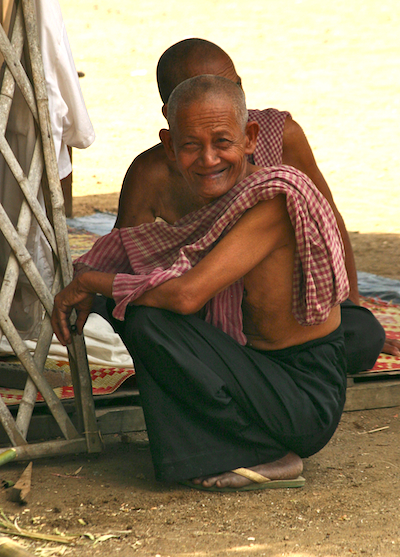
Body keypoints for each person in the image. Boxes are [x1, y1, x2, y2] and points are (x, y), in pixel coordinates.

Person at [52, 75, 350, 490]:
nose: (208, 159)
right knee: (134, 306)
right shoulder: (223, 197)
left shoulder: (274, 200)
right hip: (259, 374)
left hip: (304, 398)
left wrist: (89, 284)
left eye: (222, 142)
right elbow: (147, 265)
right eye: (191, 145)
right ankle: (218, 446)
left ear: (249, 138)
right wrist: (94, 284)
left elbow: (188, 295)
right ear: (170, 147)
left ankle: (265, 453)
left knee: (144, 312)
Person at [112, 38, 393, 370]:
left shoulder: (279, 138)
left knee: (361, 334)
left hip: (285, 320)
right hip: (202, 314)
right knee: (134, 318)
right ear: (170, 116)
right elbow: (122, 260)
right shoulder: (151, 173)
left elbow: (329, 223)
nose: (210, 158)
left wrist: (350, 307)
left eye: (233, 87)